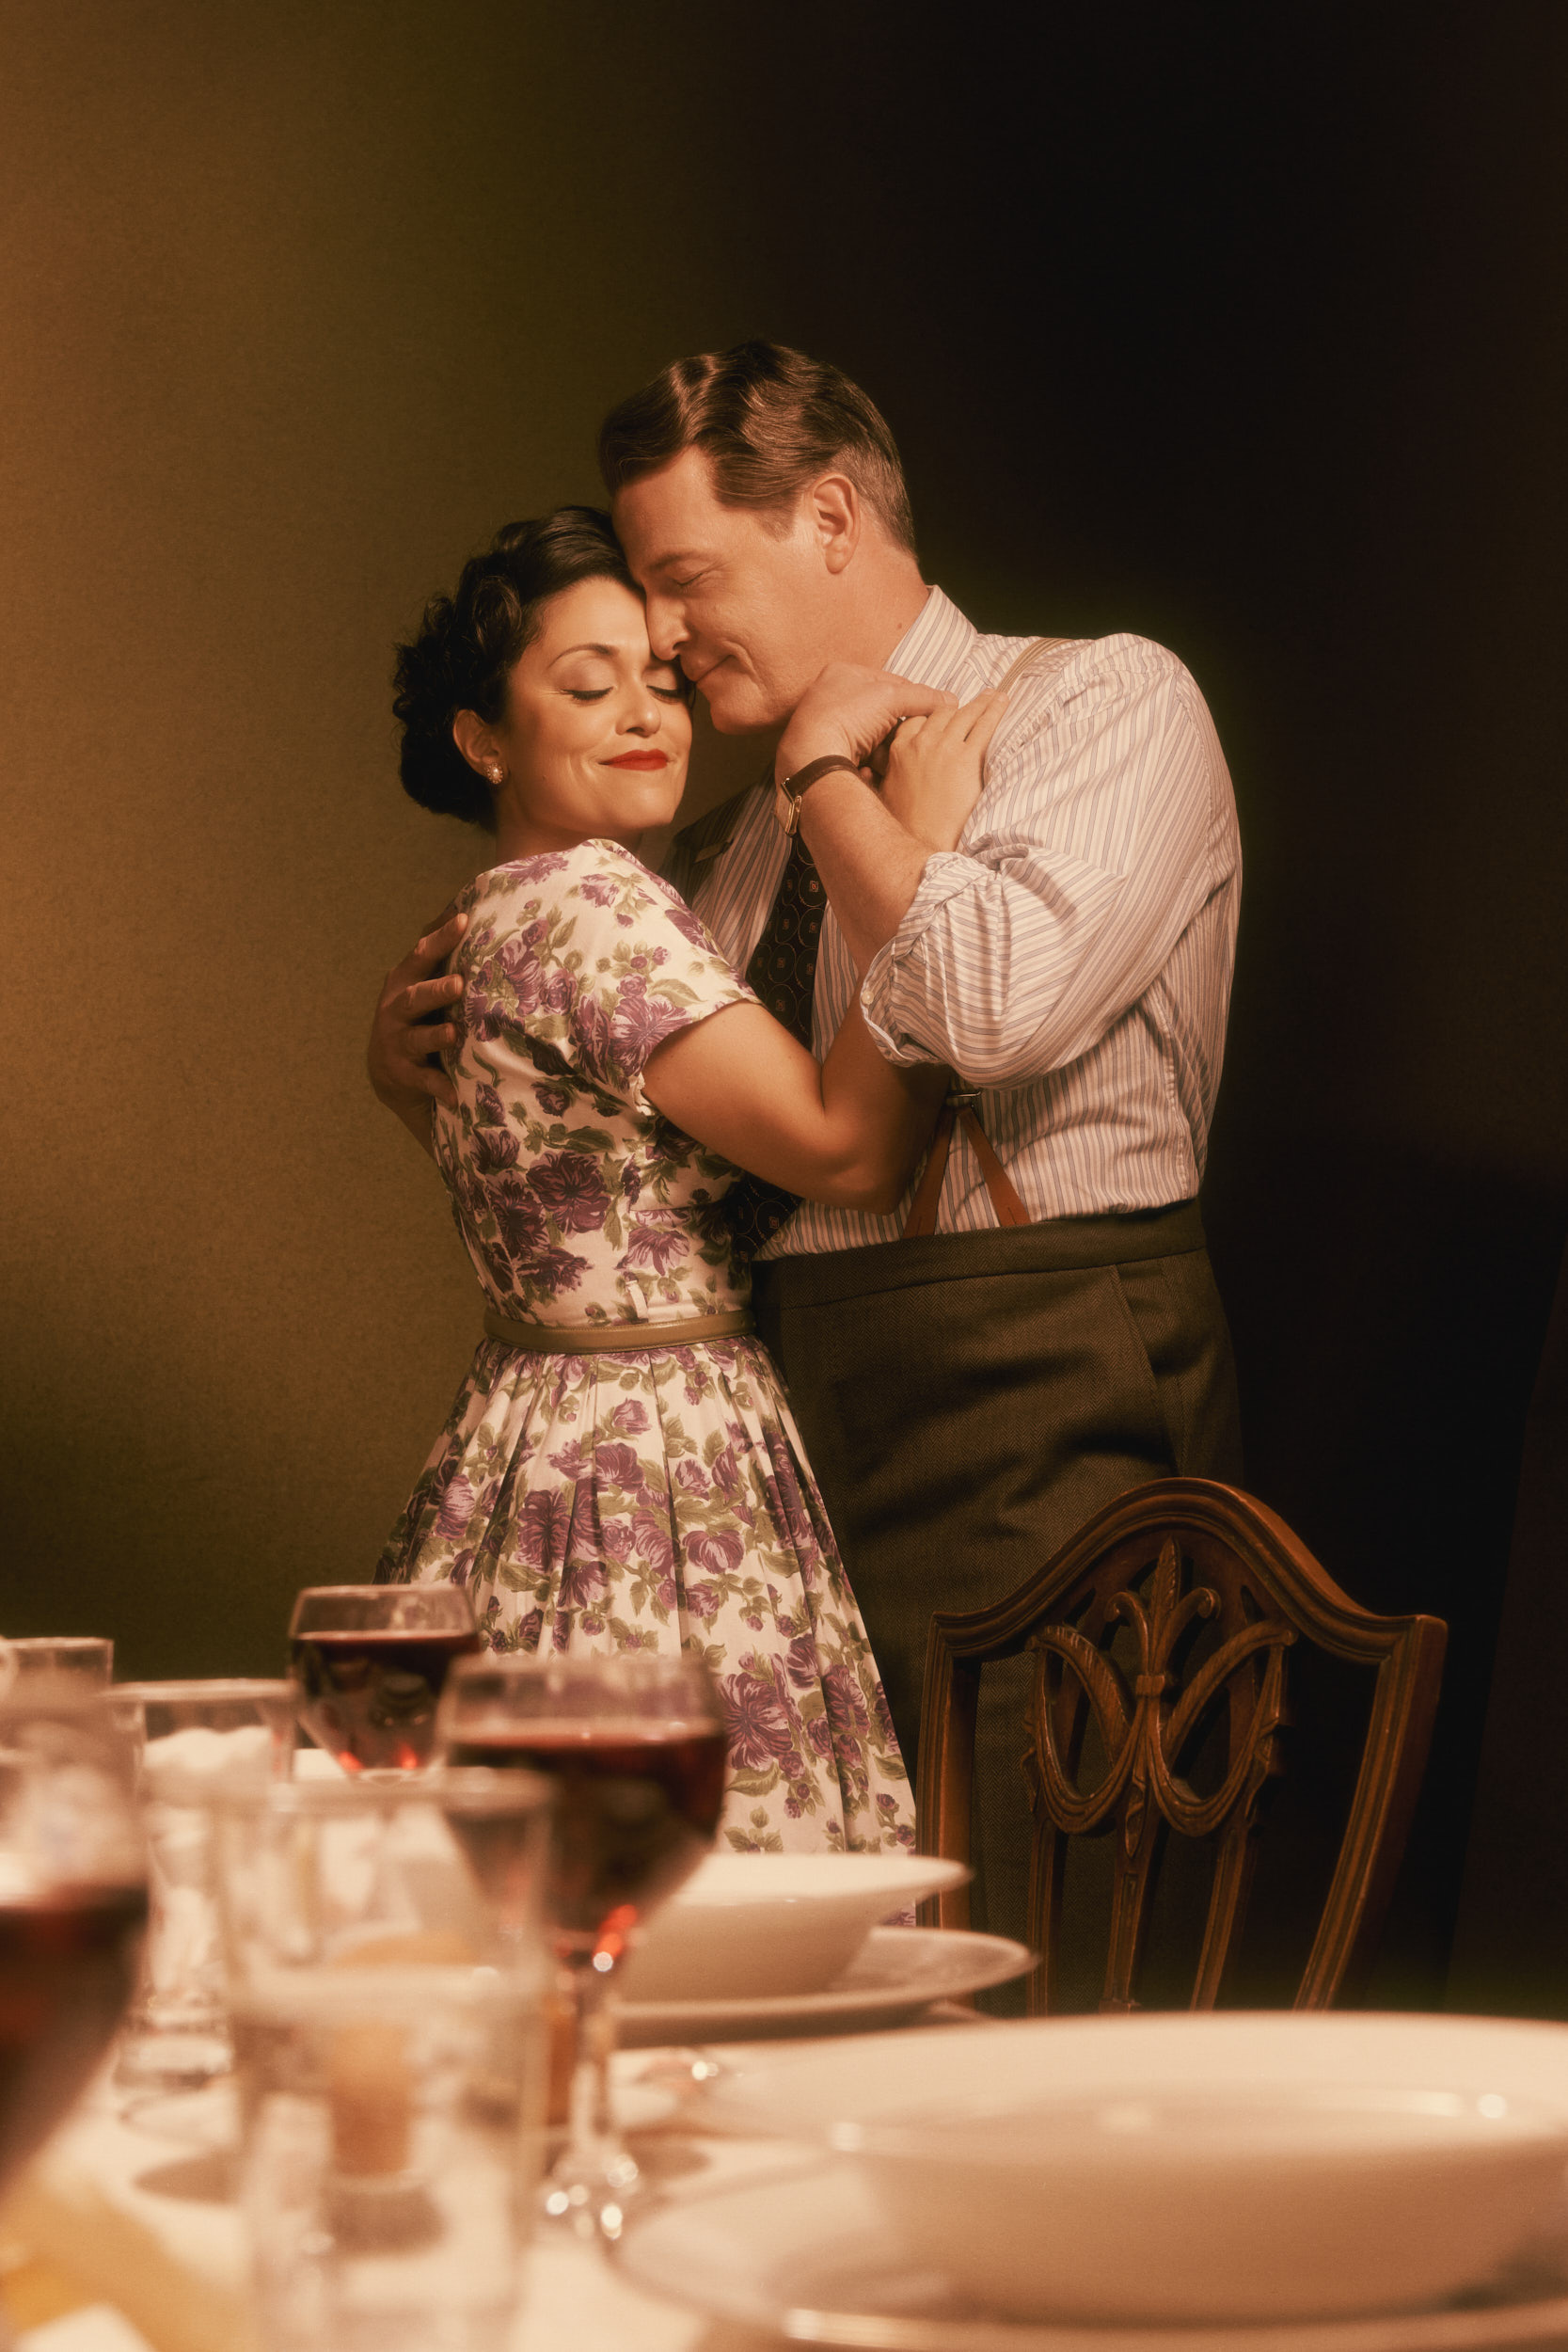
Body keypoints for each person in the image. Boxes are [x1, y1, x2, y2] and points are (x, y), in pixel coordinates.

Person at [372, 344, 1243, 1956]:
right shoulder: (711, 840)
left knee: (1015, 1950)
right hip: (779, 1432)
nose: (672, 638)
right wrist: (422, 1055)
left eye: (687, 578)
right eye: (640, 598)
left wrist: (838, 783)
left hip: (1029, 1388)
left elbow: (984, 1010)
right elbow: (643, 1121)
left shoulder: (1101, 701)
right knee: (796, 1949)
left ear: (832, 517)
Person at [374, 502, 1005, 1861]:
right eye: (586, 683)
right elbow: (853, 1151)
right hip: (653, 1458)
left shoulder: (483, 919)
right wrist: (922, 856)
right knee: (689, 1893)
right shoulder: (599, 907)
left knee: (500, 1885)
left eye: (659, 677)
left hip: (518, 1440)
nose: (645, 710)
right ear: (483, 737)